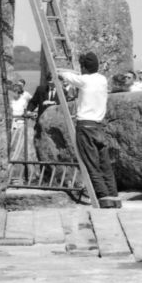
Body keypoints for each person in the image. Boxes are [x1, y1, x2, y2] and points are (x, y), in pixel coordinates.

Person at [57, 51, 120, 209]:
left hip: (85, 126)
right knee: (104, 164)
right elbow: (82, 77)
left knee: (91, 164)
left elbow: (62, 74)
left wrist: (62, 72)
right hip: (98, 125)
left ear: (84, 67)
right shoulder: (102, 80)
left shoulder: (83, 80)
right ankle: (113, 195)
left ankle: (103, 196)